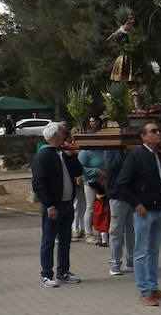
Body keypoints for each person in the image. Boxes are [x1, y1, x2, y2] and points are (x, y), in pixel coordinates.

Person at [114, 121, 161, 305]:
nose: (158, 133)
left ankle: (153, 287)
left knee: (153, 251)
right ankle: (144, 292)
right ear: (143, 136)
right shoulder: (135, 156)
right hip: (145, 211)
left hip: (160, 210)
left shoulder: (159, 155)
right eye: (153, 131)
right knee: (141, 252)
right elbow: (122, 184)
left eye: (159, 130)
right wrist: (136, 204)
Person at [32, 122, 82, 287]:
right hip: (54, 206)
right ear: (54, 136)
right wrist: (49, 205)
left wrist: (73, 155)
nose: (65, 136)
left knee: (65, 240)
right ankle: (46, 274)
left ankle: (63, 271)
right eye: (62, 133)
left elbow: (77, 172)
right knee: (48, 240)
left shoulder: (61, 153)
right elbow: (39, 183)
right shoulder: (44, 155)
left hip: (67, 203)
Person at [103, 142, 137, 278]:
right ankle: (115, 264)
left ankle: (131, 262)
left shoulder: (133, 151)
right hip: (117, 195)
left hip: (132, 195)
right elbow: (112, 168)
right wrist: (122, 152)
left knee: (132, 230)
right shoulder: (110, 151)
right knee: (116, 231)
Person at [77, 115, 108, 246]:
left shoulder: (104, 150)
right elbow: (80, 168)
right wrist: (96, 171)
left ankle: (103, 232)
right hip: (90, 183)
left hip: (104, 182)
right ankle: (89, 233)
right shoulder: (86, 152)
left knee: (104, 208)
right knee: (90, 207)